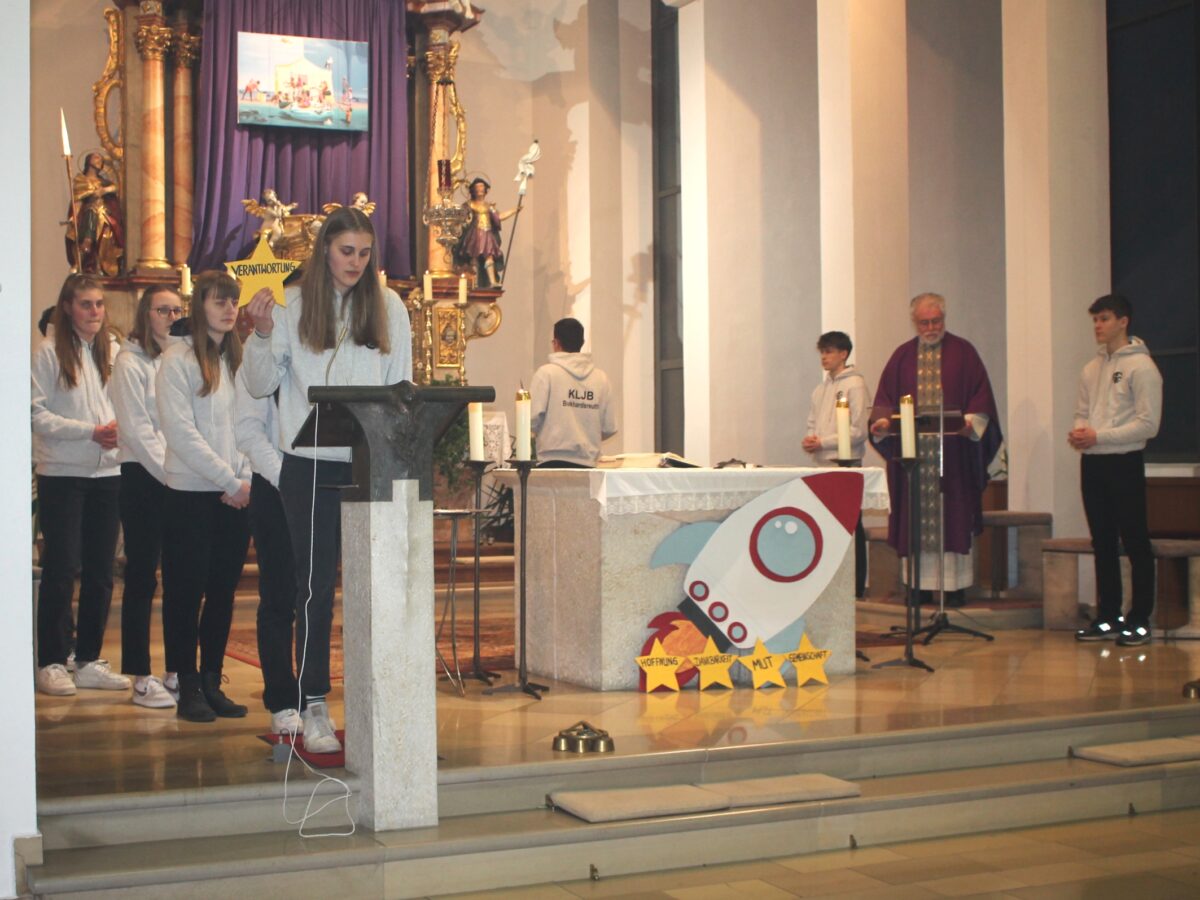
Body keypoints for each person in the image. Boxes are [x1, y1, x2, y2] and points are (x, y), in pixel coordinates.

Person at [243, 206, 412, 753]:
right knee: (313, 587)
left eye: (364, 253)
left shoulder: (389, 307)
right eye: (346, 252)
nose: (356, 263)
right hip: (308, 464)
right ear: (324, 251)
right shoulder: (291, 306)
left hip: (368, 464)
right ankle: (314, 702)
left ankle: (380, 696)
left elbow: (401, 388)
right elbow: (257, 384)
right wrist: (262, 334)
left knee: (376, 586)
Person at [156, 271, 251, 722]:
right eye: (219, 302)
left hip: (233, 495)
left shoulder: (237, 357)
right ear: (200, 307)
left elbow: (250, 425)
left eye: (233, 302)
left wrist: (245, 477)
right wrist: (229, 482)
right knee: (184, 593)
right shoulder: (176, 360)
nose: (230, 309)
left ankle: (212, 680)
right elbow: (181, 433)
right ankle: (187, 685)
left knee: (222, 594)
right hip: (190, 495)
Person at [870, 293, 1002, 607]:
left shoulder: (963, 353)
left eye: (936, 321)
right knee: (914, 520)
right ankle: (916, 586)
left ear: (944, 319)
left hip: (953, 458)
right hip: (913, 460)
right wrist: (882, 425)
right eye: (924, 322)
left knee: (951, 516)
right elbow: (884, 404)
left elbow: (980, 398)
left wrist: (972, 424)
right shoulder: (902, 356)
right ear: (915, 322)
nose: (931, 327)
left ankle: (953, 588)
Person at [32, 274, 129, 696]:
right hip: (63, 474)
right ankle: (52, 660)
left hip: (107, 472)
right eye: (86, 304)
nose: (95, 312)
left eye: (99, 305)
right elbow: (34, 414)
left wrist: (118, 431)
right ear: (67, 307)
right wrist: (89, 431)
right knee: (61, 568)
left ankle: (89, 658)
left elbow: (128, 404)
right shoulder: (47, 354)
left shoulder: (114, 351)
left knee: (101, 572)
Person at [1070, 294, 1162, 646]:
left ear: (1123, 321)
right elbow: (1082, 409)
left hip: (1124, 461)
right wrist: (1081, 431)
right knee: (1103, 541)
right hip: (1093, 463)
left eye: (1104, 319)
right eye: (1094, 319)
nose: (1098, 325)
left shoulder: (1143, 368)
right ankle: (1108, 616)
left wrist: (1100, 436)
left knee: (1135, 541)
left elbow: (1148, 424)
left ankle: (1139, 619)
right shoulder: (1091, 369)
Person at [111, 285, 184, 708]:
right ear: (146, 313)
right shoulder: (129, 361)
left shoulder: (180, 360)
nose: (172, 317)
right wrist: (172, 473)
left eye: (177, 310)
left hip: (177, 476)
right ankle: (140, 675)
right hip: (143, 474)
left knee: (179, 575)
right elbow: (137, 430)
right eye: (163, 310)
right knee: (141, 575)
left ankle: (176, 669)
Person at [234, 366, 302, 736]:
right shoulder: (258, 358)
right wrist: (286, 480)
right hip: (274, 488)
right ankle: (283, 699)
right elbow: (248, 429)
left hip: (320, 483)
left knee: (316, 594)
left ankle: (313, 694)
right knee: (278, 599)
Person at [803, 331, 870, 597]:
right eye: (822, 352)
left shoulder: (855, 385)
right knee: (827, 525)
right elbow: (812, 421)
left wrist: (824, 442)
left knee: (852, 523)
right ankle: (832, 584)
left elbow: (858, 430)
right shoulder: (821, 389)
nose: (824, 357)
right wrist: (811, 439)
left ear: (843, 354)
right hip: (822, 463)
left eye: (829, 352)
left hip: (846, 461)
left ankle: (856, 584)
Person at [530, 317, 617, 468]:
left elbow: (531, 419)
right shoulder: (601, 378)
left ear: (555, 343)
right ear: (582, 343)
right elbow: (609, 427)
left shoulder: (547, 374)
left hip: (552, 461)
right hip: (588, 464)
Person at [66, 151, 125, 277]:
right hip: (87, 214)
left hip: (106, 215)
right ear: (88, 161)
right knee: (92, 210)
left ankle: (89, 247)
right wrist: (73, 218)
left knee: (98, 214)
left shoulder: (104, 183)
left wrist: (103, 191)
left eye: (101, 160)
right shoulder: (80, 180)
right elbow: (77, 201)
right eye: (96, 158)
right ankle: (85, 249)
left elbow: (114, 187)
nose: (100, 161)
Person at [454, 177, 516, 288]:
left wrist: (514, 210)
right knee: (474, 257)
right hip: (475, 235)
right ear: (473, 190)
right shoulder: (469, 204)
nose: (480, 189)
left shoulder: (489, 206)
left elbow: (499, 217)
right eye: (478, 187)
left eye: (482, 186)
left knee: (489, 257)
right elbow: (461, 218)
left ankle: (492, 282)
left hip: (487, 234)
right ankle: (475, 282)